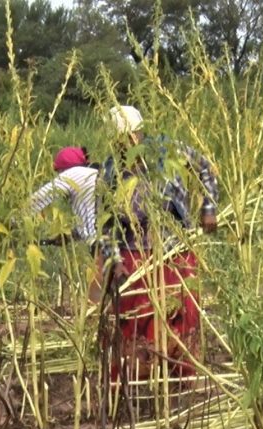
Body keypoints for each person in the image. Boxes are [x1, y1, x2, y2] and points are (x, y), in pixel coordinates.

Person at [98, 104, 219, 383]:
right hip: (133, 254)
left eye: (132, 136)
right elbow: (104, 222)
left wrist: (209, 208)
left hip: (173, 248)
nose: (128, 143)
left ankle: (179, 379)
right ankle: (138, 381)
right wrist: (114, 261)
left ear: (140, 133)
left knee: (179, 311)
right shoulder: (109, 169)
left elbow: (205, 168)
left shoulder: (168, 149)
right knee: (134, 317)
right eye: (120, 140)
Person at [26, 146, 100, 248]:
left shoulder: (72, 174)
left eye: (59, 172)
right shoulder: (92, 174)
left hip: (100, 246)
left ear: (63, 169)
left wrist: (14, 219)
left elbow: (40, 197)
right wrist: (68, 236)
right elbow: (89, 217)